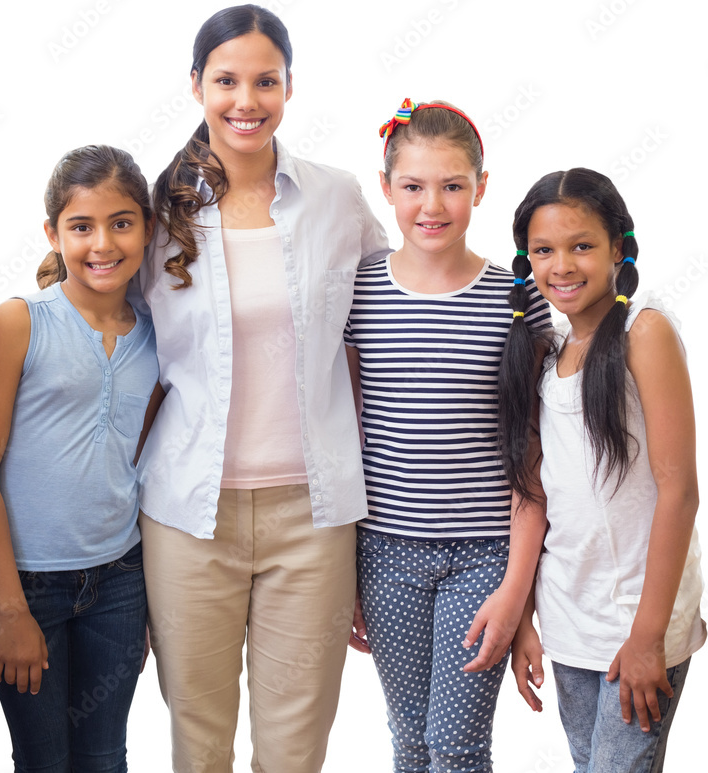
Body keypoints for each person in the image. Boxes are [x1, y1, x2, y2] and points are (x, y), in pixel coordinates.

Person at [135, 5, 391, 771]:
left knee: (294, 747)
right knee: (199, 741)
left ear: (288, 86)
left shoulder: (336, 198)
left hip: (312, 519)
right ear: (195, 86)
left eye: (265, 81)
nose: (246, 100)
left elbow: (394, 306)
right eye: (226, 80)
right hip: (188, 515)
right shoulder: (157, 213)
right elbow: (104, 328)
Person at [345, 99, 550, 772]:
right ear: (386, 189)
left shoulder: (519, 299)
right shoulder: (359, 289)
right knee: (409, 741)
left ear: (481, 187)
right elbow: (344, 430)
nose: (432, 205)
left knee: (456, 745)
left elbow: (532, 456)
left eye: (453, 185)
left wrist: (517, 589)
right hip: (386, 553)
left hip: (485, 558)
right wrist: (344, 567)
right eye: (413, 186)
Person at [495, 167, 704, 772]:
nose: (562, 265)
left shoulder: (645, 332)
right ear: (526, 260)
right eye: (544, 250)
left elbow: (680, 493)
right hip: (569, 623)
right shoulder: (549, 353)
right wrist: (528, 620)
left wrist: (648, 637)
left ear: (619, 246)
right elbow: (540, 498)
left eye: (581, 245)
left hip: (638, 623)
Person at [0, 144, 159, 773]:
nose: (103, 243)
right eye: (81, 226)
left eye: (122, 223)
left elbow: (144, 461)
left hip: (120, 582)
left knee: (104, 757)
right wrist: (12, 608)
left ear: (146, 228)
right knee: (44, 761)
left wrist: (149, 601)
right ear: (53, 234)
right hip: (28, 587)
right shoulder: (20, 322)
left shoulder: (160, 331)